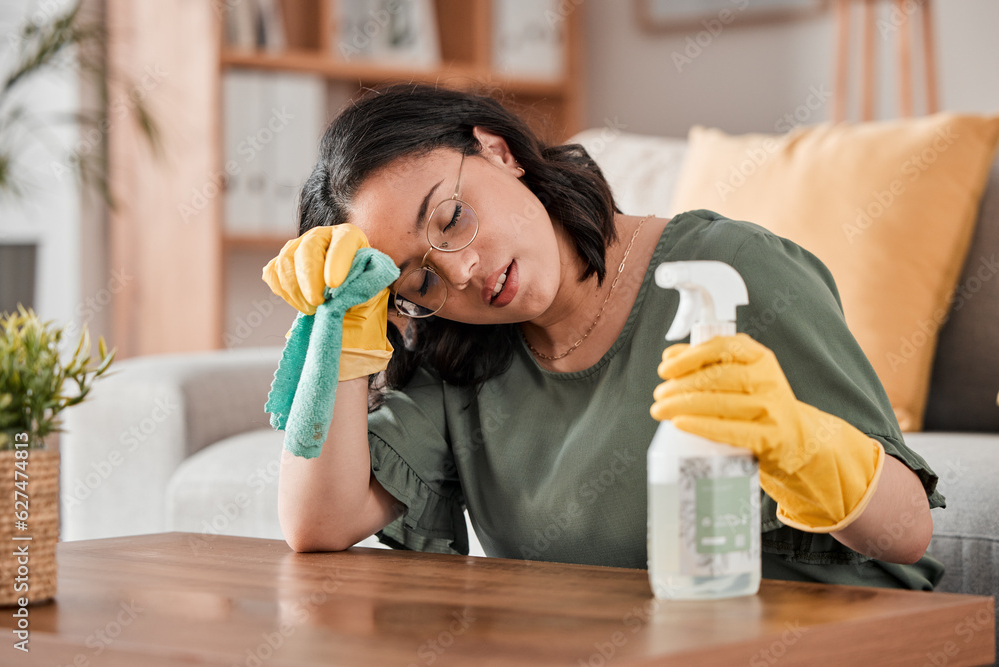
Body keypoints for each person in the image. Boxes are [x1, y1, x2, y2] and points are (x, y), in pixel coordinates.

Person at [262, 83, 946, 591]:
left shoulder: (732, 271)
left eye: (451, 216)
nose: (462, 270)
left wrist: (802, 443)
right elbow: (317, 524)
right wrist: (338, 317)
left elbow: (907, 531)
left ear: (498, 151)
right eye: (417, 281)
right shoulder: (461, 355)